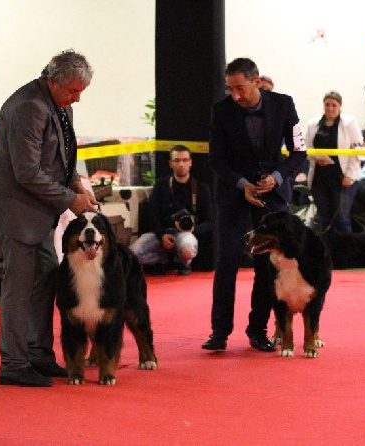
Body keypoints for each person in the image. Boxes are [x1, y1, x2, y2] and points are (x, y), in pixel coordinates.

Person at [0, 49, 98, 387]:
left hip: (38, 208)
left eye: (81, 92)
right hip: (16, 209)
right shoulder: (28, 106)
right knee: (19, 286)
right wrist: (72, 200)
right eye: (73, 91)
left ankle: (38, 353)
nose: (77, 99)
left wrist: (76, 184)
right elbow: (27, 172)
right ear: (52, 80)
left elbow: (66, 155)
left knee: (46, 275)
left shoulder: (59, 103)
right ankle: (13, 363)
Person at [203, 57, 307, 352]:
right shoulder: (220, 111)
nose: (235, 96)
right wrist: (241, 185)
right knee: (226, 262)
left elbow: (299, 152)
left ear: (256, 81)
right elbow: (216, 160)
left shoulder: (284, 105)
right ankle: (219, 332)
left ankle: (258, 330)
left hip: (272, 194)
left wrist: (277, 177)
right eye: (230, 89)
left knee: (268, 266)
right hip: (233, 193)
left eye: (240, 88)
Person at [129, 145, 215, 275]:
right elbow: (152, 215)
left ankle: (182, 261)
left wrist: (193, 229)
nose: (181, 164)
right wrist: (161, 235)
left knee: (187, 247)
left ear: (190, 162)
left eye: (185, 160)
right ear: (170, 163)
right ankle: (165, 260)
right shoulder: (161, 185)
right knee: (132, 253)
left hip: (185, 234)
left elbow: (211, 222)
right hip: (161, 233)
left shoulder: (201, 188)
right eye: (177, 160)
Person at [305, 91, 363, 234]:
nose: (330, 108)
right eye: (327, 105)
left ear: (340, 106)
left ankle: (347, 254)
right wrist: (315, 156)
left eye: (334, 105)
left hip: (341, 178)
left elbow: (359, 151)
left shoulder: (349, 123)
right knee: (323, 218)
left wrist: (350, 175)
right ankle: (327, 252)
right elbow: (305, 148)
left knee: (341, 218)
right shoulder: (313, 124)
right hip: (319, 178)